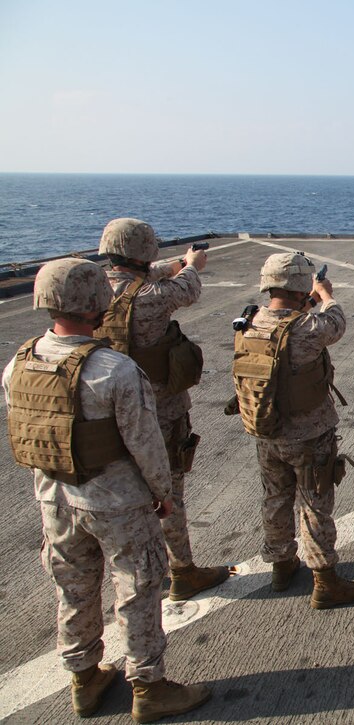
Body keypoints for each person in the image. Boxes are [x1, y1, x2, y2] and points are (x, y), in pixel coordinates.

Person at [4, 258, 210, 722]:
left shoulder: (19, 363)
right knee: (137, 588)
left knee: (73, 588)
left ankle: (84, 679)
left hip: (55, 499)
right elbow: (145, 443)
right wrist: (162, 492)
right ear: (98, 302)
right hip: (117, 504)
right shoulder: (115, 370)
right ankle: (149, 687)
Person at [96, 217, 230, 601]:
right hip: (158, 412)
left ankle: (133, 569)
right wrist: (191, 265)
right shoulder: (151, 297)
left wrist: (172, 264)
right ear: (145, 251)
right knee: (169, 493)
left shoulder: (92, 289)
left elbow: (136, 276)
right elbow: (188, 288)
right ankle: (182, 570)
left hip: (105, 412)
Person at [230, 252, 354, 609]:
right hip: (309, 437)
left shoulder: (250, 321)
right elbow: (335, 323)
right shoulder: (309, 328)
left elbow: (285, 323)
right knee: (314, 506)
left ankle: (281, 565)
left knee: (275, 498)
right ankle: (325, 581)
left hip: (265, 432)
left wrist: (306, 301)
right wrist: (325, 294)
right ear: (299, 286)